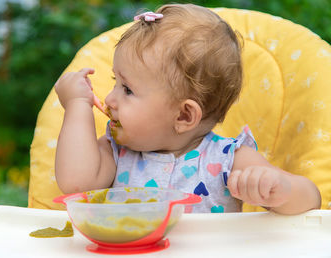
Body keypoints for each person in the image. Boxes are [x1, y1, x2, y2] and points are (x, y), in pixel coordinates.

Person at [54, 4, 321, 214]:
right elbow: (76, 183)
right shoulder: (117, 152)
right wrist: (77, 106)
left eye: (127, 89)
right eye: (116, 82)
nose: (110, 99)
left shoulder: (229, 160)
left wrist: (279, 188)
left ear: (183, 115)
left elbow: (311, 200)